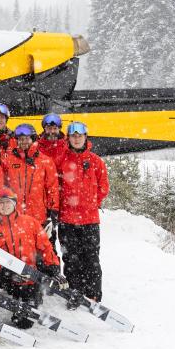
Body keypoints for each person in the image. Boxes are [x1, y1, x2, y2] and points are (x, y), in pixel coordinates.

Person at [0, 188, 66, 329]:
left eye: (8, 202)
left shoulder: (30, 223)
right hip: (4, 276)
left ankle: (28, 304)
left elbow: (45, 248)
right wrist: (7, 272)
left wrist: (54, 269)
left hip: (27, 275)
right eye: (1, 203)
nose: (4, 206)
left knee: (24, 323)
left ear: (15, 204)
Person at [57, 122, 109, 303]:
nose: (77, 138)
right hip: (67, 220)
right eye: (73, 135)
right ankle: (74, 293)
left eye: (80, 135)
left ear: (86, 137)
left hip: (89, 220)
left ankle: (93, 294)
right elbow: (55, 187)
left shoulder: (95, 161)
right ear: (68, 138)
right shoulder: (62, 160)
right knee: (71, 259)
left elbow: (104, 187)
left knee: (91, 258)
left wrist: (90, 204)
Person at [2, 123, 60, 235]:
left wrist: (53, 211)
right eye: (21, 139)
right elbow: (3, 187)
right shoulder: (9, 161)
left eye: (27, 138)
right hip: (14, 217)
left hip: (39, 218)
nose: (24, 141)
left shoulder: (45, 161)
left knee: (45, 250)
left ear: (33, 139)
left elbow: (52, 188)